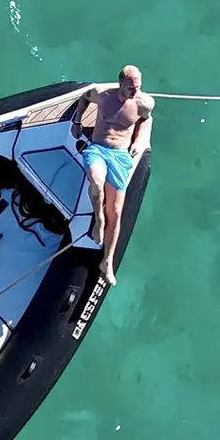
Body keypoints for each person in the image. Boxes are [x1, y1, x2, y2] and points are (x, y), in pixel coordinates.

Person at [71, 66, 154, 286]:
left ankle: (106, 262)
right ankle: (99, 221)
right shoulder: (102, 95)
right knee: (96, 181)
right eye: (130, 88)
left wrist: (139, 139)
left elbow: (146, 119)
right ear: (120, 84)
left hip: (119, 155)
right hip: (98, 148)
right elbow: (83, 99)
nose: (135, 91)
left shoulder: (143, 103)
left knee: (116, 211)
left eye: (138, 86)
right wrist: (77, 122)